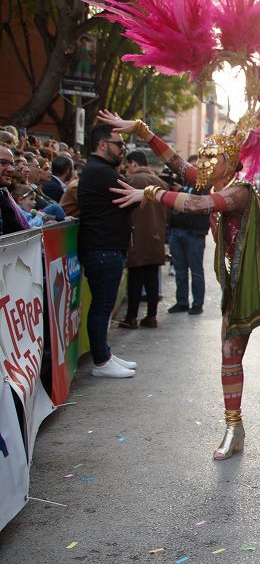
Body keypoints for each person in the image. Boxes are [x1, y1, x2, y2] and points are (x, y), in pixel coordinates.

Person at [100, 111, 260, 457]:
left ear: (231, 164)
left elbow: (198, 205)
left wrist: (151, 193)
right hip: (241, 283)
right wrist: (144, 131)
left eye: (214, 156)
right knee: (229, 355)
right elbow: (180, 166)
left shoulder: (238, 191)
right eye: (205, 155)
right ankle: (233, 428)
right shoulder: (213, 180)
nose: (206, 161)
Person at [77, 124, 138, 378]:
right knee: (102, 306)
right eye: (119, 145)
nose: (123, 150)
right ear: (103, 145)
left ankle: (105, 354)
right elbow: (133, 197)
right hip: (102, 248)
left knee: (104, 305)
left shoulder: (99, 171)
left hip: (105, 247)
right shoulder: (101, 172)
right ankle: (101, 361)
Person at [119, 151, 167, 330]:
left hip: (136, 236)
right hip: (156, 236)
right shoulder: (161, 182)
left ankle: (131, 317)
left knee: (135, 278)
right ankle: (152, 316)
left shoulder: (132, 181)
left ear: (133, 164)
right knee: (152, 277)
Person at [167, 154, 209, 315]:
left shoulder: (204, 183)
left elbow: (198, 201)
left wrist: (181, 191)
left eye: (194, 168)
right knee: (180, 269)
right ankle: (182, 302)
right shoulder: (180, 180)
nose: (191, 171)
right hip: (177, 230)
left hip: (195, 233)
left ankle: (197, 304)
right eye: (188, 168)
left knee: (196, 270)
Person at [0, 146, 30, 234]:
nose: (11, 169)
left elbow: (15, 230)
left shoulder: (2, 194)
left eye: (12, 164)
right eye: (2, 163)